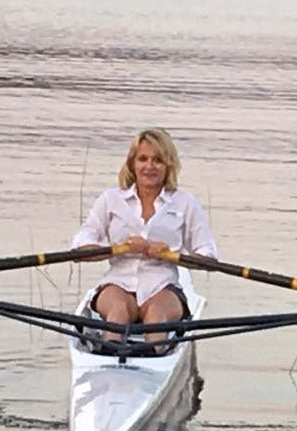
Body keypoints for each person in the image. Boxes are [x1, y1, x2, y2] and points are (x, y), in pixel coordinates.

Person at [71, 127, 218, 348]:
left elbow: (208, 256)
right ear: (132, 164)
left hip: (163, 286)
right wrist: (117, 248)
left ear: (168, 165)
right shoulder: (110, 200)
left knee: (156, 316)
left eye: (157, 160)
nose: (149, 166)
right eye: (143, 159)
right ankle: (109, 352)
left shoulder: (185, 204)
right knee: (118, 313)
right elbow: (81, 245)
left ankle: (154, 355)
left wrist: (169, 255)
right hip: (117, 284)